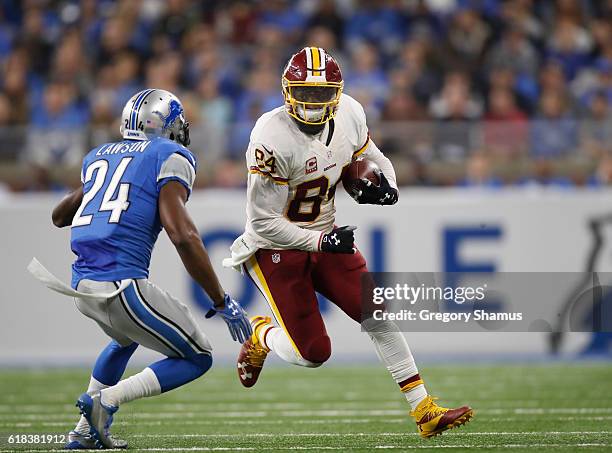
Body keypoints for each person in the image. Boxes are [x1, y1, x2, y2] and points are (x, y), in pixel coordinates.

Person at [223, 47, 473, 438]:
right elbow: (263, 222)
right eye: (305, 94)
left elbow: (374, 156)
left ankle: (424, 410)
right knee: (313, 354)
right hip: (276, 246)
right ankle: (262, 334)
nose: (312, 103)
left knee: (377, 312)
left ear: (337, 94)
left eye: (322, 94)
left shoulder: (351, 114)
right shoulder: (269, 136)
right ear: (287, 92)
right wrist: (321, 242)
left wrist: (388, 186)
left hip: (325, 232)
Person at [28, 89, 251, 449]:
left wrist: (91, 189)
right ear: (164, 125)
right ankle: (106, 401)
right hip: (121, 284)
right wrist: (222, 300)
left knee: (124, 339)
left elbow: (58, 217)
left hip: (82, 286)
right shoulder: (169, 154)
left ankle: (84, 432)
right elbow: (183, 235)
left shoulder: (99, 155)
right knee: (198, 357)